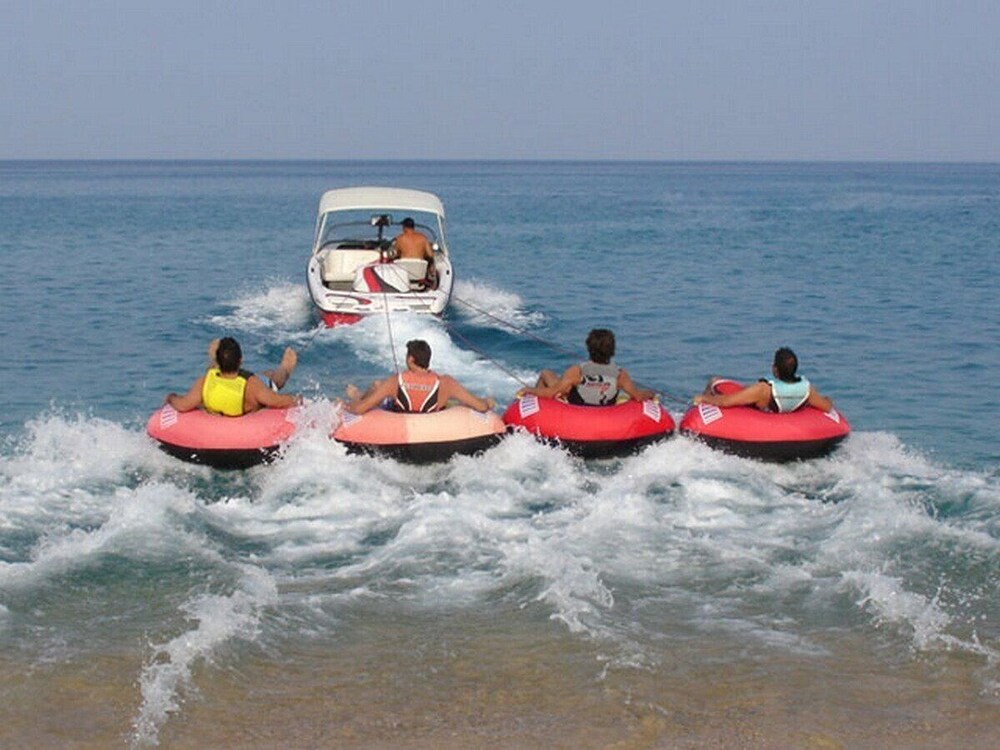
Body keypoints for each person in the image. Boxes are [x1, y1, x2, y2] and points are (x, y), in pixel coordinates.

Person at [345, 339, 495, 415]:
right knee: (453, 402)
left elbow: (360, 409)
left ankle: (358, 396)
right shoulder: (446, 383)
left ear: (411, 359)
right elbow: (480, 407)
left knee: (377, 386)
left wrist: (346, 408)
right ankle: (359, 395)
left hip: (399, 423)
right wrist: (488, 402)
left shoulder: (396, 381)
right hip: (434, 426)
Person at [165, 337, 301, 416]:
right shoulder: (252, 385)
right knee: (273, 378)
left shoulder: (204, 382)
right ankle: (285, 367)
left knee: (213, 374)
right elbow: (278, 401)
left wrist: (171, 397)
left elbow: (182, 405)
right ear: (241, 361)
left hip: (219, 382)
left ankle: (217, 359)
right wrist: (299, 400)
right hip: (252, 396)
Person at [518, 328, 655, 406]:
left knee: (546, 373)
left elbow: (550, 393)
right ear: (612, 350)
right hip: (605, 415)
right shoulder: (620, 375)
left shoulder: (577, 371)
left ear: (589, 349)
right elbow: (638, 396)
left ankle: (537, 413)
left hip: (575, 412)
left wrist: (529, 390)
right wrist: (650, 394)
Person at [692, 347, 833, 412]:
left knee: (714, 381)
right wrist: (828, 400)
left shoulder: (764, 390)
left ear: (775, 369)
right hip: (784, 413)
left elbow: (725, 402)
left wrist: (704, 398)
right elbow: (826, 407)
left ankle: (696, 410)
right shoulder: (807, 389)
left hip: (759, 410)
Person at [392, 217, 436, 284]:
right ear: (413, 227)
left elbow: (394, 253)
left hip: (403, 275)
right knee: (431, 261)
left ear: (404, 227)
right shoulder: (423, 238)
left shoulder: (400, 238)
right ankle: (431, 278)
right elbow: (430, 255)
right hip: (419, 273)